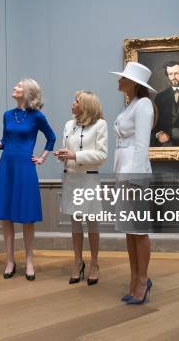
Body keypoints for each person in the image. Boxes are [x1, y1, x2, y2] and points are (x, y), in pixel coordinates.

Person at [0, 79, 56, 280]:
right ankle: (10, 260)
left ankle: (29, 260)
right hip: (6, 166)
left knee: (27, 216)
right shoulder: (7, 115)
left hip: (25, 168)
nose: (15, 87)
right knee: (7, 216)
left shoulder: (37, 116)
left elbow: (51, 137)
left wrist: (42, 158)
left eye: (19, 86)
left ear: (28, 92)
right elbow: (5, 142)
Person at [110, 62, 156, 305]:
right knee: (129, 230)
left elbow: (141, 145)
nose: (119, 80)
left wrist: (135, 179)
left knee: (138, 231)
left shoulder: (144, 105)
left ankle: (143, 280)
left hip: (134, 175)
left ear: (133, 83)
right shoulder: (131, 105)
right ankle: (134, 279)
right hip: (123, 173)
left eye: (123, 78)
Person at [54, 91, 108, 285]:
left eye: (76, 101)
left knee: (92, 223)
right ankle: (78, 262)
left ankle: (94, 263)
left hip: (89, 180)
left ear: (85, 105)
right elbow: (66, 150)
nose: (72, 103)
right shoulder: (69, 125)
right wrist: (62, 154)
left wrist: (75, 156)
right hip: (71, 179)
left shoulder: (100, 125)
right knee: (75, 223)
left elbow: (101, 156)